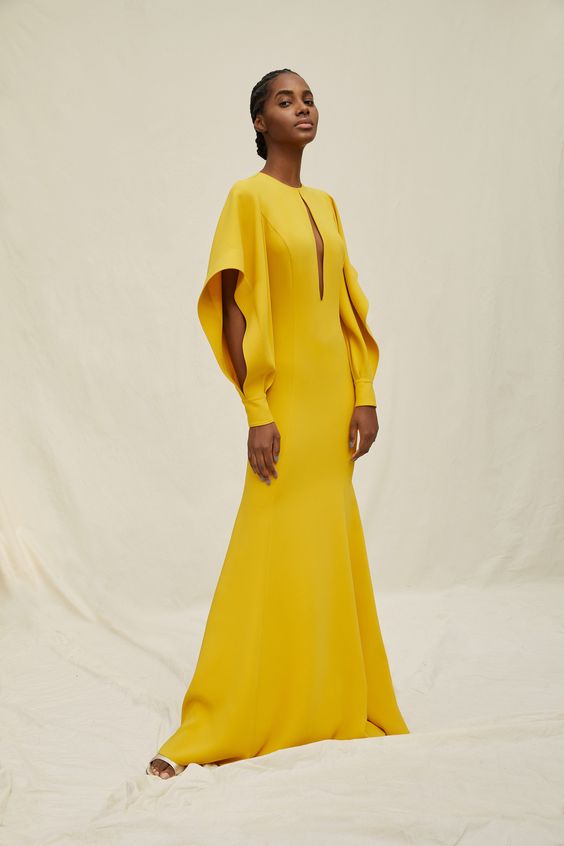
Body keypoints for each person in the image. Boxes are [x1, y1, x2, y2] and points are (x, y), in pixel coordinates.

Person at [146, 68, 410, 779]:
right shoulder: (248, 198)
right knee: (265, 550)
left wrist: (364, 393)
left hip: (334, 406)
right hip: (285, 400)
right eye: (285, 101)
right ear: (260, 122)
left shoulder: (326, 204)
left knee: (326, 547)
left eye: (309, 98)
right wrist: (256, 408)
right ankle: (218, 721)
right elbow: (235, 311)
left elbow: (347, 310)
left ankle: (330, 702)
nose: (303, 108)